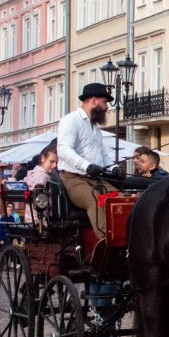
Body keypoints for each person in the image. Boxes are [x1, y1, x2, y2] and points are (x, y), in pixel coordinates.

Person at [57, 82, 120, 240]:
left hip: (94, 179)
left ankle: (124, 237)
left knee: (120, 198)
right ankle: (107, 241)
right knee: (95, 200)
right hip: (72, 179)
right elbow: (64, 150)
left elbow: (102, 154)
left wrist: (114, 168)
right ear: (93, 101)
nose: (107, 107)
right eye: (105, 102)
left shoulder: (95, 129)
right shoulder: (71, 120)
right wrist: (87, 166)